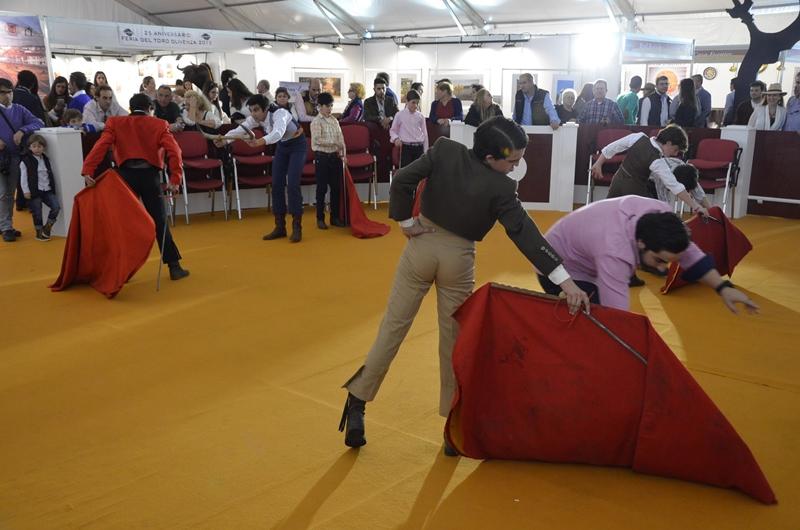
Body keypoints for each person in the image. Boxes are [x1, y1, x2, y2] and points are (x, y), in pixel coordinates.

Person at [338, 117, 591, 451]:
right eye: (512, 161)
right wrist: (565, 281)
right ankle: (453, 425)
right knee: (455, 341)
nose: (516, 167)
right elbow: (525, 235)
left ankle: (358, 400)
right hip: (458, 262)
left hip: (420, 249)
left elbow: (401, 179)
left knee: (392, 328)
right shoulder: (503, 189)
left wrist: (407, 221)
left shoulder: (444, 151)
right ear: (490, 158)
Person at [540, 195, 759, 314]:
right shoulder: (615, 252)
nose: (664, 269)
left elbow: (690, 255)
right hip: (557, 265)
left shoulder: (661, 215)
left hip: (589, 252)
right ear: (641, 243)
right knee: (592, 324)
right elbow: (618, 315)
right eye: (660, 261)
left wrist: (723, 288)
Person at [81, 93, 189, 281]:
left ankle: (123, 270)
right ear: (150, 108)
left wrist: (88, 169)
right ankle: (174, 267)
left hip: (125, 178)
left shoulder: (115, 123)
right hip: (150, 177)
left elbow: (101, 146)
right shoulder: (159, 124)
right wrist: (175, 179)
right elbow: (175, 152)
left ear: (130, 108)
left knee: (124, 224)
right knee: (160, 221)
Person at [218, 94, 307, 243]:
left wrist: (260, 141)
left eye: (256, 110)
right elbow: (241, 130)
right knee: (277, 184)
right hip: (282, 148)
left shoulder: (281, 113)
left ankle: (297, 227)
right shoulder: (254, 118)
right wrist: (224, 139)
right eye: (251, 110)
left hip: (298, 146)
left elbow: (278, 133)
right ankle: (280, 227)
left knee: (292, 184)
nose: (253, 114)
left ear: (265, 108)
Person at [594, 125, 709, 217]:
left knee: (608, 214)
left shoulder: (639, 137)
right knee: (652, 219)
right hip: (635, 190)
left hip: (618, 180)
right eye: (675, 150)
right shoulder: (657, 161)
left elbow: (613, 147)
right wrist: (697, 207)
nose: (675, 154)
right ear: (668, 143)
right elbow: (675, 186)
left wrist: (598, 163)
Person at [0, 77, 44, 242]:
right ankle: (6, 227)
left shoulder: (19, 109)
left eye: (9, 91)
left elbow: (38, 122)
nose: (7, 95)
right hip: (3, 158)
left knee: (8, 192)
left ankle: (4, 224)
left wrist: (22, 130)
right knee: (6, 193)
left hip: (16, 156)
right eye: (3, 92)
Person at [310, 92, 346, 229]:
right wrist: (335, 144)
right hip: (322, 158)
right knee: (322, 189)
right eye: (327, 106)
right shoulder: (316, 121)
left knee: (336, 188)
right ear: (319, 106)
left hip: (334, 157)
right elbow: (317, 140)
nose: (330, 109)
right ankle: (320, 218)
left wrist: (343, 153)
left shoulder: (334, 120)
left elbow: (341, 139)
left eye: (331, 106)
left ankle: (335, 217)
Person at [19, 134, 59, 241]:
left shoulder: (46, 159)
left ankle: (47, 227)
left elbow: (49, 173)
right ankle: (39, 232)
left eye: (40, 146)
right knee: (37, 212)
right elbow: (23, 177)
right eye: (34, 146)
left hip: (47, 189)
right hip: (34, 190)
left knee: (56, 207)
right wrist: (26, 191)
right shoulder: (25, 161)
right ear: (29, 147)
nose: (37, 148)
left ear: (43, 147)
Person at [390, 89, 429, 168]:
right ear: (407, 102)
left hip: (419, 147)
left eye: (417, 103)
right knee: (406, 172)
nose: (415, 105)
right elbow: (392, 130)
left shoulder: (420, 116)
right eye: (413, 102)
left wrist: (426, 151)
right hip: (406, 148)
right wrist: (396, 139)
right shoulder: (399, 115)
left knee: (418, 172)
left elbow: (425, 134)